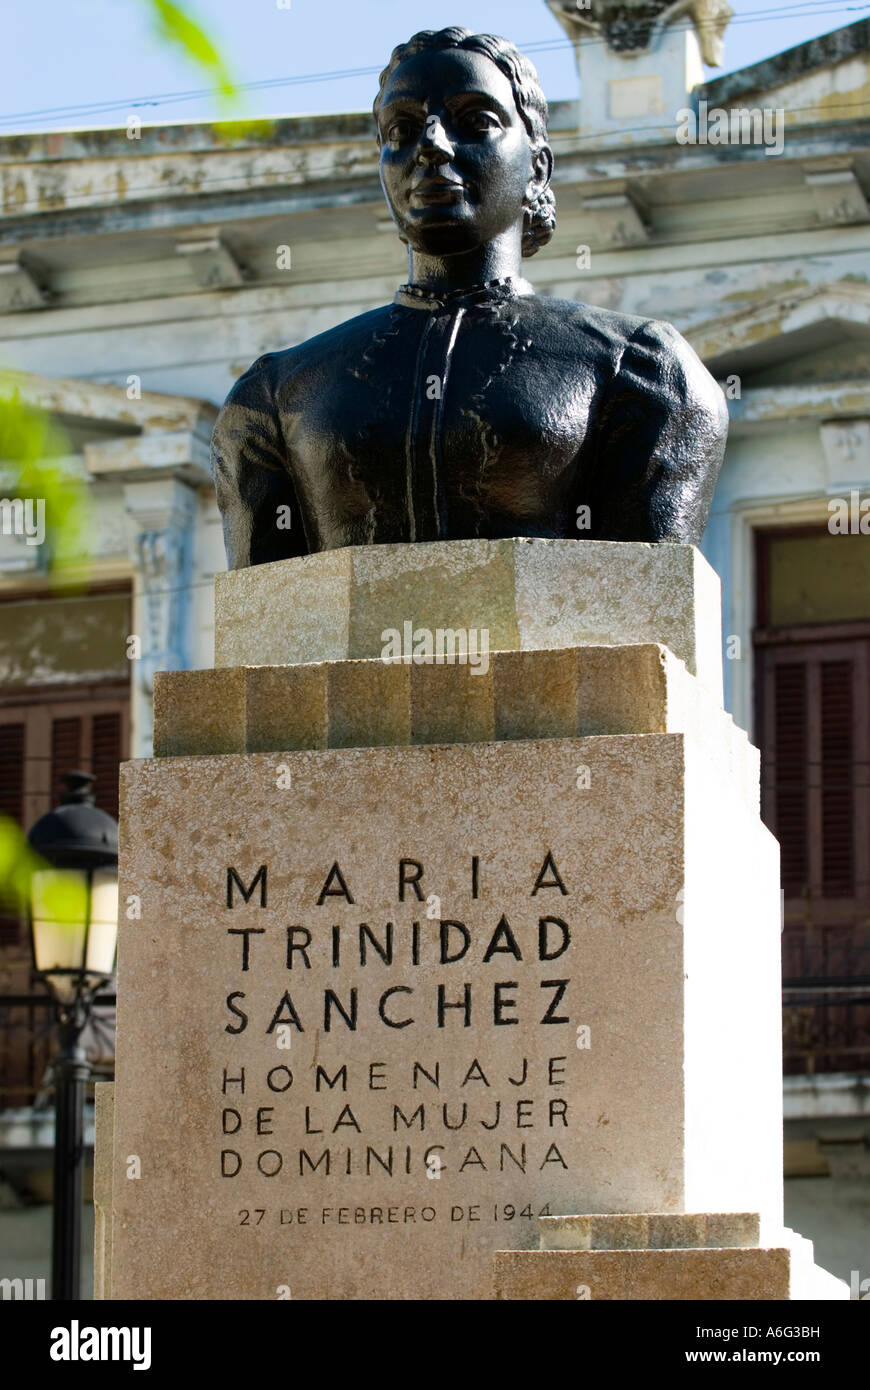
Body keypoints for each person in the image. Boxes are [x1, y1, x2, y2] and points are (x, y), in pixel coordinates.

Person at [212, 26, 728, 568]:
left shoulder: (638, 371)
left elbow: (640, 620)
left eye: (476, 121)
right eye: (403, 128)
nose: (431, 145)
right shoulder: (274, 396)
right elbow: (266, 624)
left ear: (538, 167)